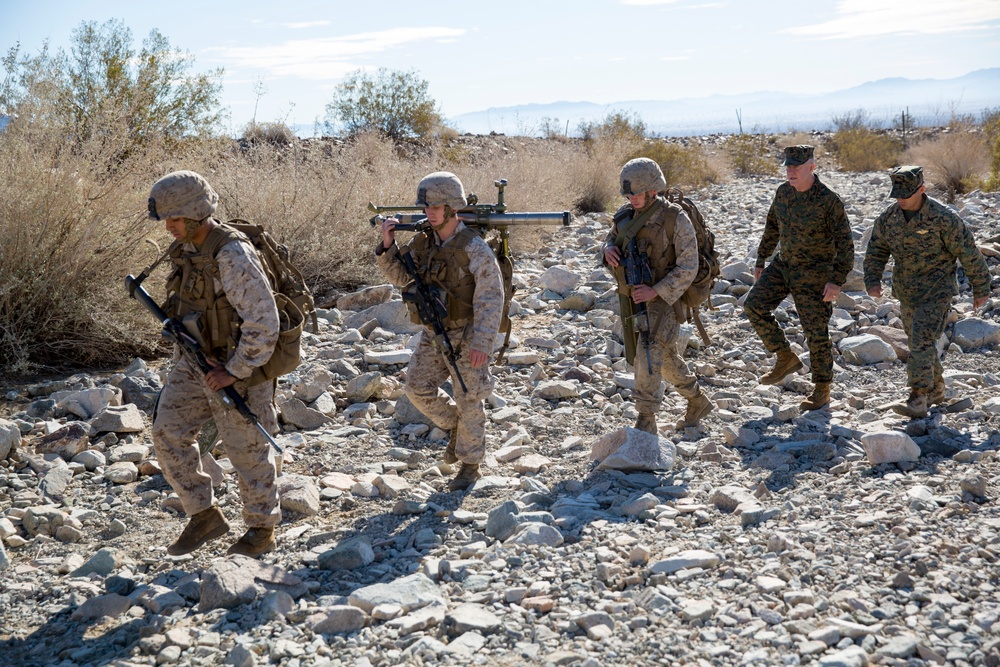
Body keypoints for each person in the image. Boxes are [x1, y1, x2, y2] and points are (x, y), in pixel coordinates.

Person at [147, 170, 282, 557]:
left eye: (174, 219)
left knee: (248, 450)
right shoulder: (187, 249)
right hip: (195, 360)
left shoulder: (232, 254)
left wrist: (235, 370)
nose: (168, 227)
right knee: (167, 431)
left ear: (194, 213)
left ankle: (261, 529)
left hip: (240, 367)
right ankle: (203, 515)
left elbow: (264, 323)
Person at [376, 172, 504, 492]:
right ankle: (457, 426)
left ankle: (470, 465)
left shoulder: (473, 247)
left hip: (467, 334)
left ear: (452, 208)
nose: (429, 212)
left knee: (469, 397)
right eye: (426, 206)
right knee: (416, 389)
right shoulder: (424, 242)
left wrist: (483, 342)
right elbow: (403, 278)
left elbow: (491, 296)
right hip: (435, 333)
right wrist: (387, 247)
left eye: (436, 206)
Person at [863, 165, 991, 418]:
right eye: (897, 193)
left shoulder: (944, 218)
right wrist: (872, 280)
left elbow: (968, 253)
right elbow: (877, 250)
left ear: (921, 190)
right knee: (918, 343)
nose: (900, 198)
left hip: (937, 291)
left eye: (906, 194)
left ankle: (918, 398)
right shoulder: (889, 218)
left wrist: (981, 287)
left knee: (921, 341)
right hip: (906, 291)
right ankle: (937, 390)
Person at [602, 158, 714, 434]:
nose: (631, 198)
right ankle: (697, 400)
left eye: (636, 193)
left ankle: (646, 420)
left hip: (665, 299)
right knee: (663, 354)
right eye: (627, 194)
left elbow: (689, 266)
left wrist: (657, 290)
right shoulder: (625, 217)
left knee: (648, 352)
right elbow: (610, 241)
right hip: (634, 297)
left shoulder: (676, 218)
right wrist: (607, 251)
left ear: (653, 189)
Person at [743, 145, 855, 411]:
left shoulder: (829, 201)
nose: (790, 172)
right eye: (788, 167)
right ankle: (785, 356)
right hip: (784, 265)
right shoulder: (783, 193)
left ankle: (822, 389)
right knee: (753, 305)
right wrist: (761, 258)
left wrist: (836, 280)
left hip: (815, 273)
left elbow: (846, 243)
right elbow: (772, 225)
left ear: (811, 167)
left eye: (796, 167)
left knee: (815, 331)